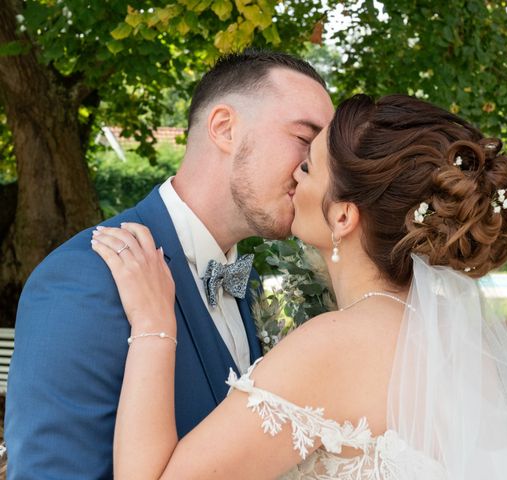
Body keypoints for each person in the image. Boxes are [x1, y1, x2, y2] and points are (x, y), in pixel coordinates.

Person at [92, 94, 507, 479]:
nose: (293, 179)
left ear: (345, 218)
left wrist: (154, 325)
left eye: (308, 167)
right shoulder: (463, 349)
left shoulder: (337, 344)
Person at [4, 50, 334, 479]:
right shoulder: (87, 276)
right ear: (224, 128)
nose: (314, 169)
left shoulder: (246, 278)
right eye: (304, 139)